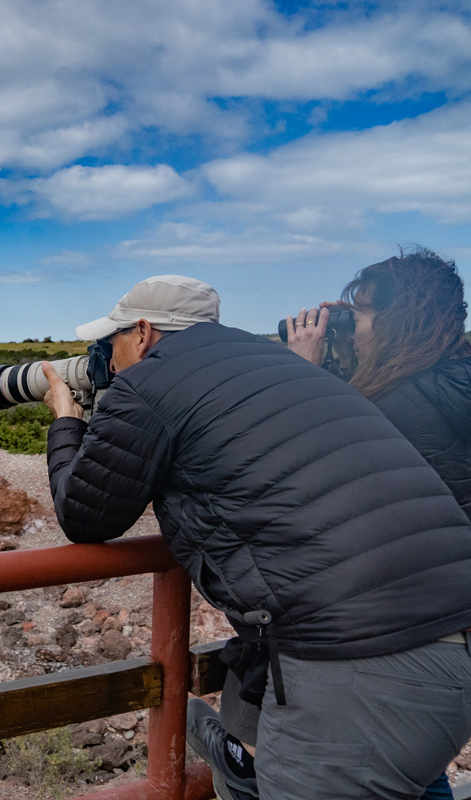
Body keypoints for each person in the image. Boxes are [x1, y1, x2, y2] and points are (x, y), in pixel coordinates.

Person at [40, 273, 471, 800]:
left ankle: (236, 757)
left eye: (111, 343)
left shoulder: (149, 382)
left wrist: (66, 420)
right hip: (450, 642)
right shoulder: (280, 363)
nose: (108, 358)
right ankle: (240, 758)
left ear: (143, 333)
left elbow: (85, 514)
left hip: (356, 666)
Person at [192, 249, 471, 800]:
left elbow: (300, 471)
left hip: (394, 632)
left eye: (359, 317)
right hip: (444, 633)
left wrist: (303, 371)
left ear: (397, 323)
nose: (353, 330)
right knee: (411, 763)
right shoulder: (449, 385)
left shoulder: (401, 405)